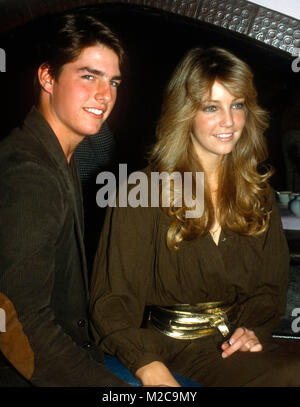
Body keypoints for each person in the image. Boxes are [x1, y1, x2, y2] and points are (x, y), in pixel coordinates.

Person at [90, 47, 300, 387]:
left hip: (231, 348)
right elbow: (111, 302)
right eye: (211, 107)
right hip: (166, 349)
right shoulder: (140, 191)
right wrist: (146, 363)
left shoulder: (257, 191)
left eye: (237, 105)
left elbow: (269, 289)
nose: (229, 122)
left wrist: (251, 329)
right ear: (185, 113)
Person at [0, 11, 129, 386]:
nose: (105, 95)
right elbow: (18, 324)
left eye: (113, 81)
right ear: (48, 77)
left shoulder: (60, 156)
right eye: (88, 76)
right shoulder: (30, 173)